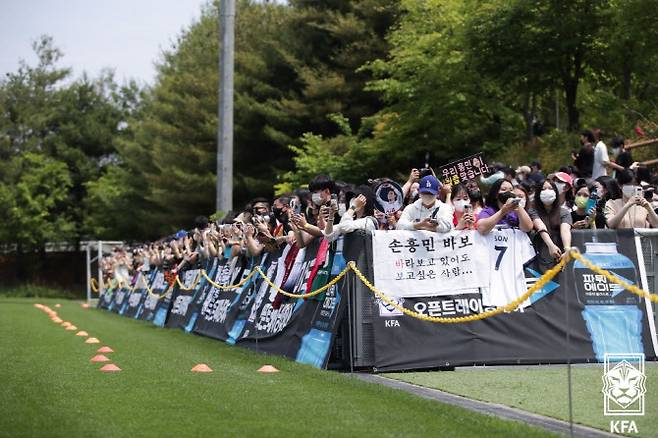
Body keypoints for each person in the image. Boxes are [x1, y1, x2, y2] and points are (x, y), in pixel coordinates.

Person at [529, 180, 572, 262]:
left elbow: (565, 230)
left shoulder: (564, 212)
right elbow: (540, 227)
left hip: (558, 256)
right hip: (536, 255)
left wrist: (567, 249)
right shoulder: (532, 211)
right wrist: (551, 245)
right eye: (543, 189)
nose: (547, 191)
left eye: (550, 188)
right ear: (538, 193)